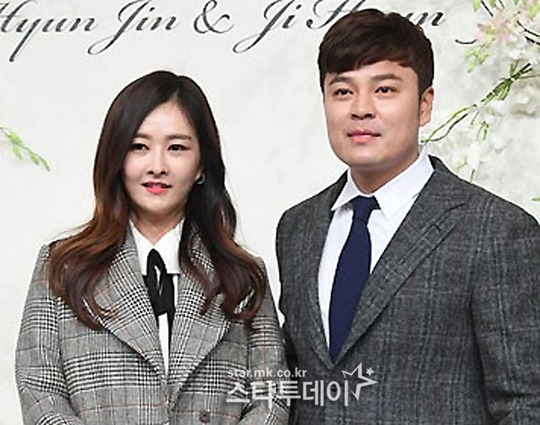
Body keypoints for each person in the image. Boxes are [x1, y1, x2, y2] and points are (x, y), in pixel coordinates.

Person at [276, 9, 540, 424]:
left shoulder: (495, 230)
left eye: (384, 89)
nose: (361, 109)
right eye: (342, 91)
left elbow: (524, 402)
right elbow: (296, 382)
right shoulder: (298, 227)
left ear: (424, 105)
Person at [16, 71, 288, 425]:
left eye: (177, 148)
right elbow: (40, 392)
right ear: (116, 157)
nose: (157, 166)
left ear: (201, 165)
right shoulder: (62, 266)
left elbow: (272, 397)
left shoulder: (243, 275)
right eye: (139, 147)